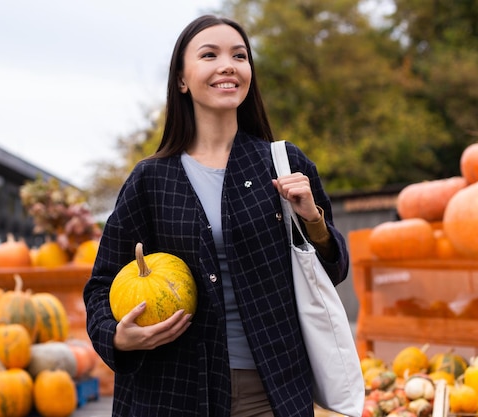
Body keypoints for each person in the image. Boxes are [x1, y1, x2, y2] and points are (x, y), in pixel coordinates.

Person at [83, 14, 349, 417]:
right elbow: (101, 283)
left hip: (272, 390)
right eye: (210, 54)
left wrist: (313, 220)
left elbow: (334, 270)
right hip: (171, 393)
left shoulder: (283, 163)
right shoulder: (151, 180)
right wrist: (117, 337)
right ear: (181, 80)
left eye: (239, 56)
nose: (228, 64)